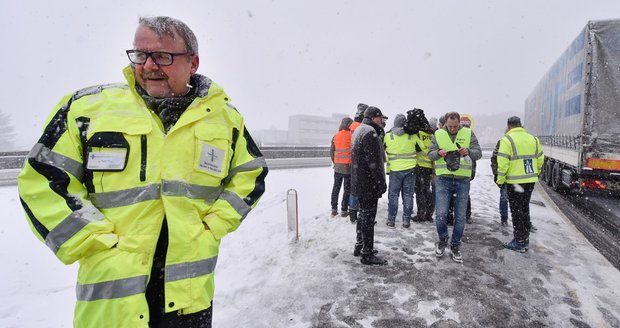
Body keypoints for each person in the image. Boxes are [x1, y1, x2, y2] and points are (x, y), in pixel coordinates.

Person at [17, 16, 267, 328]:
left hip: (189, 299)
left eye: (163, 56)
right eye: (140, 54)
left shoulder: (224, 118)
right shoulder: (87, 109)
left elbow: (251, 174)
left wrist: (213, 226)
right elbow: (41, 179)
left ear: (193, 63)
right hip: (112, 301)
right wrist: (94, 243)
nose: (148, 66)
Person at [429, 112, 482, 263]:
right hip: (443, 180)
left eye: (455, 126)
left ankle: (455, 245)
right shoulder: (438, 134)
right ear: (446, 123)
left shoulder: (468, 133)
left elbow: (477, 153)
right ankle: (442, 240)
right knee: (440, 214)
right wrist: (438, 153)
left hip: (462, 181)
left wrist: (469, 152)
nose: (452, 129)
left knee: (460, 216)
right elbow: (430, 154)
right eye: (450, 126)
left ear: (459, 123)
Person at [496, 116, 544, 253]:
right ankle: (525, 237)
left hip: (515, 181)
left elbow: (503, 162)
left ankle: (520, 241)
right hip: (529, 181)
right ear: (520, 125)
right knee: (524, 208)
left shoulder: (507, 140)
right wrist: (536, 172)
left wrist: (500, 180)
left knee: (516, 211)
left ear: (509, 126)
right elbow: (540, 159)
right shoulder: (533, 139)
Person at [351, 106, 388, 265]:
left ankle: (360, 245)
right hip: (368, 183)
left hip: (358, 181)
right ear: (374, 117)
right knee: (368, 217)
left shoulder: (359, 130)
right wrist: (381, 183)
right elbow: (375, 164)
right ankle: (367, 253)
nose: (383, 121)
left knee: (362, 215)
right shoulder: (370, 134)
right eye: (381, 118)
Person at [383, 114, 418, 228]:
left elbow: (382, 148)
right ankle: (406, 221)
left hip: (395, 170)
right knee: (408, 196)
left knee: (393, 195)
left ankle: (391, 220)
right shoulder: (412, 136)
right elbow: (421, 147)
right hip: (410, 170)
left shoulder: (388, 136)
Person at [413, 116, 437, 223]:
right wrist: (434, 171)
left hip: (419, 166)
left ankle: (420, 214)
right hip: (428, 167)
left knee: (419, 191)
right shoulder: (433, 136)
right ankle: (429, 214)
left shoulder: (419, 133)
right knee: (427, 191)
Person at [347, 103, 368, 223]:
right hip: (360, 161)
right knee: (360, 188)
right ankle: (360, 211)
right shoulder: (362, 126)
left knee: (353, 188)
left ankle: (352, 212)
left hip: (351, 160)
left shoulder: (351, 126)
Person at [330, 117, 354, 217]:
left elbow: (332, 152)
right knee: (347, 189)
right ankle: (344, 210)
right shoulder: (352, 136)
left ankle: (334, 209)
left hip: (338, 167)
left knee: (336, 187)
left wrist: (335, 162)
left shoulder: (336, 136)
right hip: (348, 167)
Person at [491, 128, 510, 226]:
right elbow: (494, 159)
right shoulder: (502, 142)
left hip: (518, 178)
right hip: (506, 178)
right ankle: (504, 219)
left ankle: (524, 220)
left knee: (520, 202)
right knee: (504, 199)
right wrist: (497, 175)